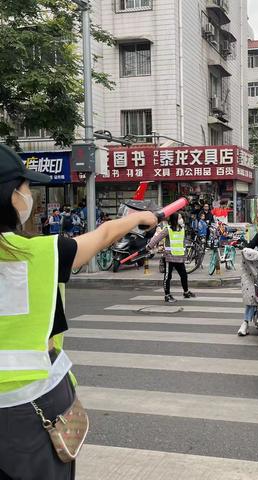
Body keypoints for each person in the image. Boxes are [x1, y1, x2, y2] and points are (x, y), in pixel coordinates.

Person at [0, 144, 158, 480]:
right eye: (27, 187)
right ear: (11, 197)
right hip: (33, 407)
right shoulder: (43, 253)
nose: (30, 194)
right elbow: (102, 235)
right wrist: (138, 217)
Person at [148, 212, 195, 303]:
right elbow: (157, 238)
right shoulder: (167, 230)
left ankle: (186, 292)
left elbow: (182, 243)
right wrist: (149, 246)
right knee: (168, 276)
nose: (181, 220)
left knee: (184, 275)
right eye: (180, 218)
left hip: (179, 257)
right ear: (175, 220)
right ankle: (167, 295)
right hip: (169, 257)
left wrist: (185, 254)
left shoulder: (182, 229)